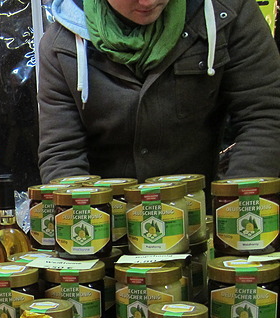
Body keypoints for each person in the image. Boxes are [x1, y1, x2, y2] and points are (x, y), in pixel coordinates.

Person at [37, 0, 280, 184]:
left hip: (205, 214)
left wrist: (236, 206)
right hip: (106, 224)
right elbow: (62, 155)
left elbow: (265, 116)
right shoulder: (61, 44)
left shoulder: (227, 12)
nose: (148, 2)